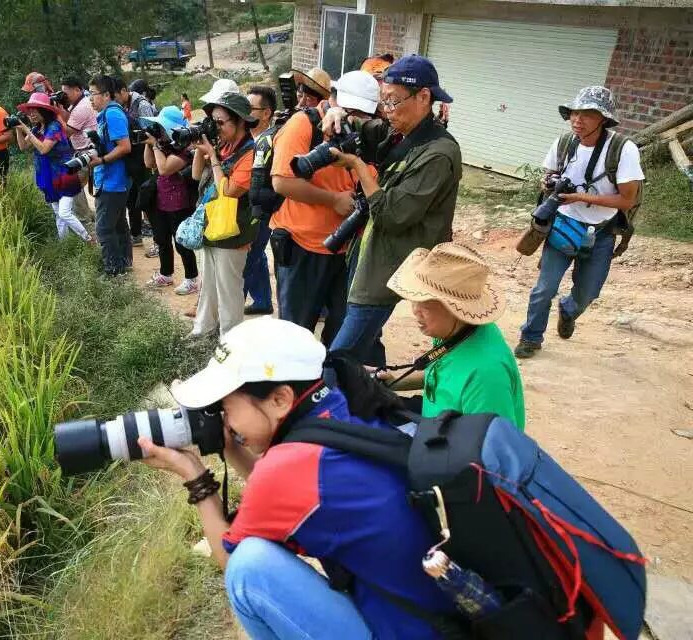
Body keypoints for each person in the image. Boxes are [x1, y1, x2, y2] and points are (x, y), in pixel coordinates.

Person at [138, 316, 457, 640]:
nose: (225, 417)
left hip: (405, 632)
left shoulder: (292, 468)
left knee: (249, 569)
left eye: (227, 406)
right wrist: (232, 447)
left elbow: (227, 557)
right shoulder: (344, 403)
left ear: (280, 400)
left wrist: (194, 476)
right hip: (444, 618)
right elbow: (296, 493)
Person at [328, 55, 462, 369]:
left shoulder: (439, 153)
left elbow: (393, 215)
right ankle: (371, 394)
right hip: (371, 250)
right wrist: (335, 112)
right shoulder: (400, 132)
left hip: (392, 262)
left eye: (393, 102)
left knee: (339, 356)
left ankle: (331, 400)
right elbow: (366, 126)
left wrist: (358, 166)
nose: (386, 110)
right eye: (383, 101)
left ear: (424, 97)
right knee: (367, 340)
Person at [514, 86, 643, 359]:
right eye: (575, 112)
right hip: (563, 226)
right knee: (544, 288)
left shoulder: (623, 149)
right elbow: (548, 175)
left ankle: (569, 310)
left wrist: (579, 197)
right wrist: (550, 183)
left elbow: (627, 200)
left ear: (603, 119)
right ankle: (531, 337)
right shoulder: (564, 142)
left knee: (587, 293)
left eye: (587, 114)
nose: (577, 119)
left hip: (601, 232)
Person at [269, 69, 374, 347]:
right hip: (303, 247)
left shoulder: (369, 132)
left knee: (342, 332)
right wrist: (333, 200)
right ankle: (292, 387)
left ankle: (330, 384)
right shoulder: (302, 125)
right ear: (335, 100)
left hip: (347, 249)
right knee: (295, 333)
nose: (357, 119)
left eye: (364, 115)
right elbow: (282, 183)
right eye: (351, 111)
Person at [377, 243, 526, 429]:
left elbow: (495, 450)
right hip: (436, 426)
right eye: (415, 299)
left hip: (455, 450)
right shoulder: (457, 331)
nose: (415, 311)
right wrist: (395, 381)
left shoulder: (485, 375)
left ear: (457, 310)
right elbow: (448, 378)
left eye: (426, 303)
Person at [191, 93, 259, 338]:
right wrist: (202, 150)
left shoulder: (250, 153)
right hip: (213, 225)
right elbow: (196, 176)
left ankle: (230, 340)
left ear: (240, 121)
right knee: (208, 284)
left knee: (229, 289)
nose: (215, 127)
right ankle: (202, 329)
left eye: (220, 123)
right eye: (213, 121)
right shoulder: (223, 146)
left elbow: (229, 191)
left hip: (235, 231)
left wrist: (215, 158)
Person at [13, 92, 90, 242]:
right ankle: (64, 244)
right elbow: (23, 146)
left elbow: (44, 149)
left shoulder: (54, 127)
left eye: (35, 110)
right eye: (29, 111)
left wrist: (26, 129)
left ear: (44, 111)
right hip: (47, 175)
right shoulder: (37, 129)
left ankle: (88, 239)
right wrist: (17, 128)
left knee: (64, 212)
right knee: (58, 213)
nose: (31, 114)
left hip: (62, 174)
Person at [142, 106, 199, 295]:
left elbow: (165, 168)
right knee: (162, 239)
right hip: (161, 199)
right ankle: (166, 274)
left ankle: (191, 279)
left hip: (180, 201)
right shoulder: (163, 144)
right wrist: (149, 143)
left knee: (181, 242)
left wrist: (156, 145)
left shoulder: (184, 147)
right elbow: (149, 164)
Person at [87, 75, 133, 276]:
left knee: (104, 228)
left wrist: (102, 160)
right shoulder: (107, 114)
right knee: (118, 224)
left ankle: (113, 270)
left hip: (113, 181)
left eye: (93, 94)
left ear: (106, 95)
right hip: (111, 180)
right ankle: (124, 262)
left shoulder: (113, 115)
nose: (90, 99)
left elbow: (125, 147)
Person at [242, 85, 277, 315]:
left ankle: (232, 306)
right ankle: (263, 300)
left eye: (251, 109)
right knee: (256, 254)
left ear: (266, 113)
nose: (246, 113)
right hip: (247, 206)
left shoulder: (274, 139)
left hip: (263, 209)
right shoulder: (246, 137)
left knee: (246, 258)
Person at [116, 77, 157, 247]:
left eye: (116, 96)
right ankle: (136, 234)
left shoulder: (142, 105)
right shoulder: (123, 106)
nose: (115, 101)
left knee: (146, 196)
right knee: (131, 199)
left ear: (124, 91)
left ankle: (157, 239)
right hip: (132, 159)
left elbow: (151, 131)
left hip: (143, 158)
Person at [55, 76, 98, 222]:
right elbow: (69, 117)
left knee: (71, 184)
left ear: (77, 90)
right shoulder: (78, 104)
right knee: (74, 184)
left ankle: (85, 218)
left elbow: (67, 131)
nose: (64, 96)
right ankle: (88, 215)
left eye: (66, 93)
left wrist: (57, 113)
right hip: (83, 151)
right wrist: (61, 108)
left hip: (87, 152)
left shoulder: (82, 107)